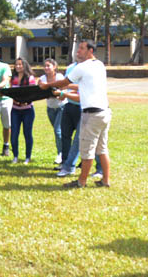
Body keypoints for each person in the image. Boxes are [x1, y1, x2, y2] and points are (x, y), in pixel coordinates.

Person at [41, 40, 111, 188]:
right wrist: (64, 91)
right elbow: (80, 85)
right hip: (104, 112)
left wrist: (47, 85)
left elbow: (64, 82)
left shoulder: (82, 67)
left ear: (90, 51)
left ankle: (81, 182)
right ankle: (105, 180)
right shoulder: (99, 65)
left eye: (81, 48)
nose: (78, 51)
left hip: (91, 114)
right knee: (102, 148)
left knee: (87, 150)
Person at [10, 57, 36, 164]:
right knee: (14, 133)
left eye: (20, 64)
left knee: (27, 133)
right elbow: (11, 91)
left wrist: (26, 101)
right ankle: (15, 156)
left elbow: (33, 93)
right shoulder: (13, 78)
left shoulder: (30, 78)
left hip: (28, 110)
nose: (18, 66)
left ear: (24, 65)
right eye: (16, 64)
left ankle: (27, 157)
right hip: (15, 110)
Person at [40, 58, 65, 165]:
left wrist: (60, 93)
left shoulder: (59, 77)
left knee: (58, 131)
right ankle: (64, 151)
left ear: (54, 67)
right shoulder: (42, 78)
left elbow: (63, 89)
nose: (46, 68)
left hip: (61, 107)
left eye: (48, 65)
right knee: (59, 132)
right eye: (45, 66)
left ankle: (61, 154)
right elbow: (40, 88)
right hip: (50, 108)